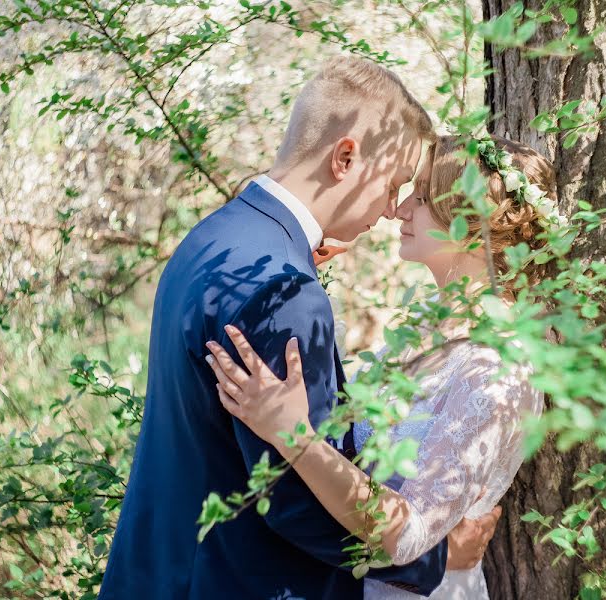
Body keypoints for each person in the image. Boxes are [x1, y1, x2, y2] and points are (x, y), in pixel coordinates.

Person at [98, 58, 500, 600]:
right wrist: (436, 556)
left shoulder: (218, 238)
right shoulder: (284, 292)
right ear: (346, 157)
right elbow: (292, 501)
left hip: (158, 569)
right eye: (393, 185)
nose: (390, 210)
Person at [205, 133, 559, 599]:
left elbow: (407, 533)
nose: (400, 207)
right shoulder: (427, 322)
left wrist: (294, 435)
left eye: (425, 196)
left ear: (475, 228)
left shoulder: (497, 371)